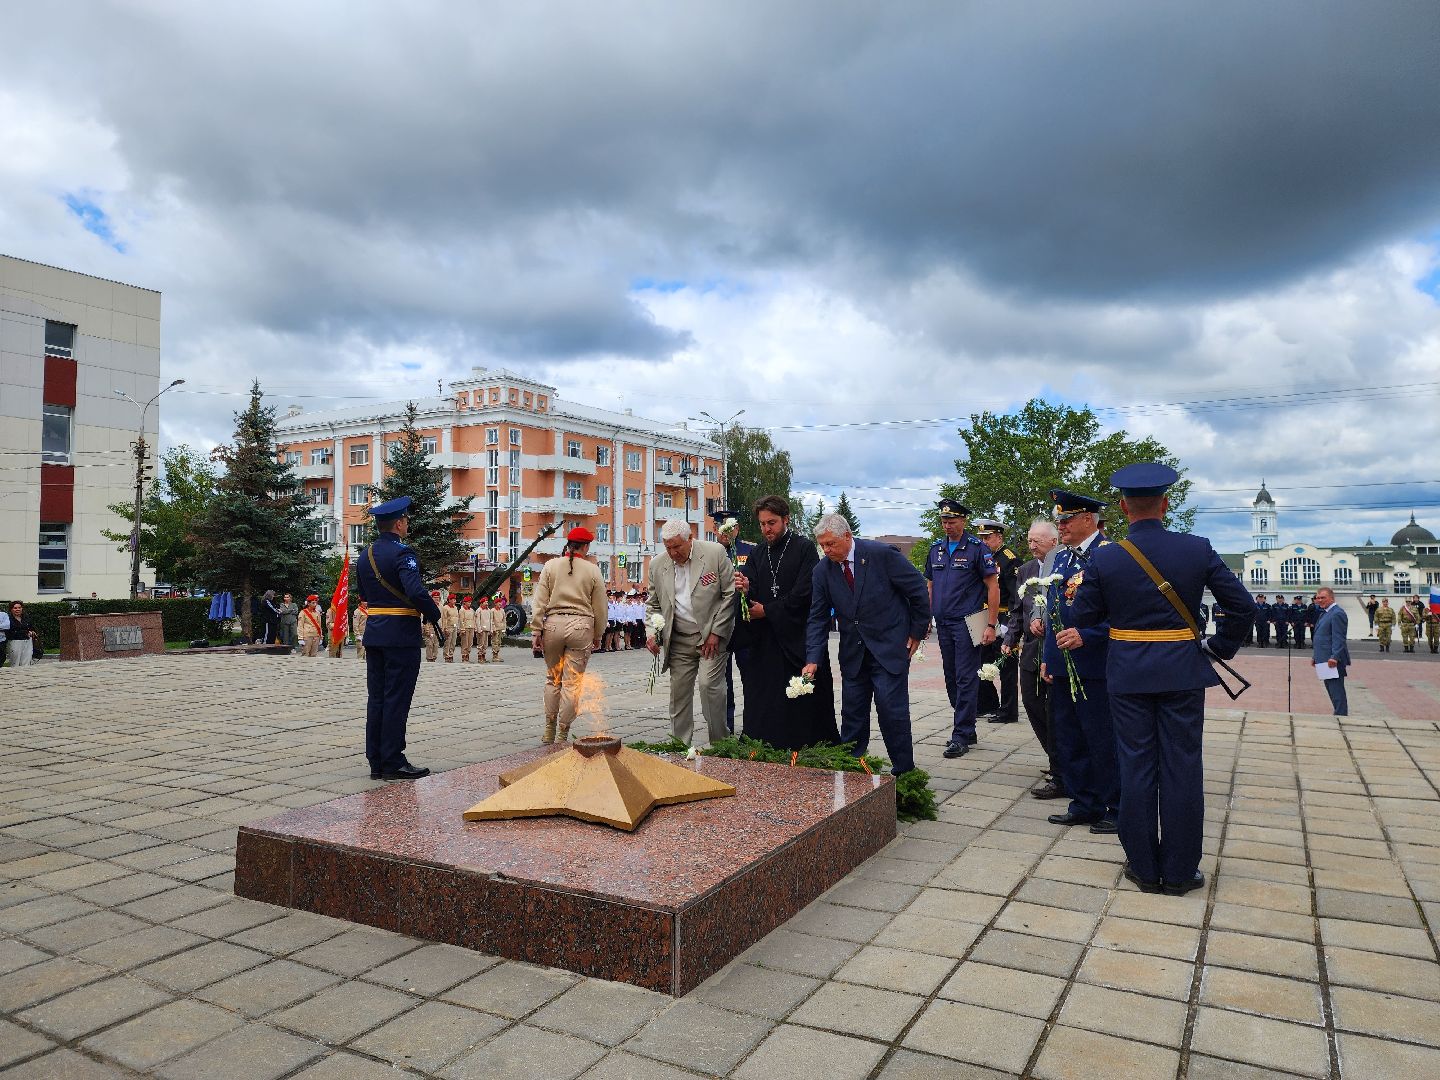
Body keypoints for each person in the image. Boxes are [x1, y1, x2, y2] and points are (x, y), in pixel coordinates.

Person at [1071, 463, 1255, 896]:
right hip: (1182, 670)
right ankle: (1179, 871)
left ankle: (1143, 866)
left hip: (1128, 673)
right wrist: (1219, 647)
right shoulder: (1196, 548)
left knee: (1136, 767)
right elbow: (1243, 607)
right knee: (1183, 768)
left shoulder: (1106, 556)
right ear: (1166, 504)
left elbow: (1083, 617)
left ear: (1122, 506)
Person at [803, 514, 931, 775]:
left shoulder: (881, 555)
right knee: (852, 716)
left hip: (889, 648)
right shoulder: (822, 571)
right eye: (822, 545)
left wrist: (917, 631)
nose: (826, 550)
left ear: (847, 536)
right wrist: (812, 658)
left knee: (891, 713)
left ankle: (904, 772)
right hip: (853, 654)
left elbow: (917, 588)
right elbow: (817, 618)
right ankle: (852, 773)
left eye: (831, 544)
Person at [1040, 489, 1119, 835]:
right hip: (1063, 663)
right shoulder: (1061, 558)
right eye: (1059, 520)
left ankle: (1116, 807)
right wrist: (1048, 658)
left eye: (1066, 519)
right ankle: (1083, 803)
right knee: (1069, 737)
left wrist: (1090, 635)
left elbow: (1123, 615)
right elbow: (1055, 610)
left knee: (1101, 739)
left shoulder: (1111, 555)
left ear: (1089, 519)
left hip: (1095, 664)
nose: (1061, 525)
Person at [733, 496, 838, 750]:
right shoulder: (758, 552)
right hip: (767, 642)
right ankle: (765, 747)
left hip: (798, 638)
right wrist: (746, 590)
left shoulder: (804, 549)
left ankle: (808, 749)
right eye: (762, 524)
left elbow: (805, 593)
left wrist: (768, 610)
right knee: (766, 698)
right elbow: (754, 588)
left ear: (786, 520)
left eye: (772, 523)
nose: (767, 529)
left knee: (803, 703)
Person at [354, 496, 443, 780]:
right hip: (401, 635)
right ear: (399, 523)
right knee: (397, 698)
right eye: (406, 521)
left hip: (376, 633)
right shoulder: (403, 554)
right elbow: (415, 592)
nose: (407, 524)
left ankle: (376, 761)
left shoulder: (365, 556)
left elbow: (366, 596)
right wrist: (434, 612)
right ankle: (393, 760)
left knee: (377, 698)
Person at [646, 520, 737, 747]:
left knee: (709, 688)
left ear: (690, 538)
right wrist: (652, 631)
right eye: (668, 547)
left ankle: (720, 744)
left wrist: (716, 632)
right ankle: (680, 745)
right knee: (679, 695)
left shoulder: (714, 553)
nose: (672, 553)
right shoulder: (657, 565)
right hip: (678, 640)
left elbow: (729, 594)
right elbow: (653, 604)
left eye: (677, 547)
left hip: (710, 638)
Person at [923, 499, 999, 758]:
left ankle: (961, 734)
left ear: (963, 521)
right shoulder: (936, 549)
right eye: (944, 521)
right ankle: (968, 728)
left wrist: (991, 624)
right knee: (951, 677)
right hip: (943, 623)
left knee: (966, 678)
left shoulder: (977, 548)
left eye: (952, 521)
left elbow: (993, 587)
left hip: (969, 622)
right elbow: (930, 586)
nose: (947, 525)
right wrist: (926, 619)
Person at [531, 528, 608, 744]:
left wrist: (536, 630)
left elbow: (540, 600)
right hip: (580, 626)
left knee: (552, 679)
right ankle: (563, 733)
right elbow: (600, 607)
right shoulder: (593, 570)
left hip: (553, 626)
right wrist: (598, 633)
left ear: (568, 544)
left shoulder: (550, 566)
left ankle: (549, 729)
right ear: (586, 547)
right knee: (572, 683)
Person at [1004, 519, 1064, 799]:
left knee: (1057, 713)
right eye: (1029, 540)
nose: (1031, 546)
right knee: (1032, 704)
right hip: (1030, 651)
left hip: (1058, 650)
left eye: (1036, 541)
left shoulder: (1065, 566)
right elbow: (1017, 610)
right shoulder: (1026, 570)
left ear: (1054, 542)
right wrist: (1010, 639)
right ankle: (1055, 759)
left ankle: (1061, 770)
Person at [974, 519, 1021, 724]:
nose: (983, 541)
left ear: (999, 537)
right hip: (982, 616)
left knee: (1007, 667)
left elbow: (1016, 595)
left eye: (988, 538)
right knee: (981, 662)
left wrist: (1009, 622)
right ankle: (988, 704)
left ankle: (1009, 711)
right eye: (981, 538)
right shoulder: (981, 557)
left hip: (1003, 616)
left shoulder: (1009, 559)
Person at [716, 510, 756, 734]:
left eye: (730, 528)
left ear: (737, 529)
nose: (725, 533)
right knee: (722, 681)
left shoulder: (749, 550)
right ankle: (726, 725)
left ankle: (753, 724)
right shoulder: (708, 552)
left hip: (744, 623)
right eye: (721, 529)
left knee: (751, 676)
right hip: (720, 625)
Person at [1312, 588, 1350, 716]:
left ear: (1332, 598)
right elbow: (1322, 637)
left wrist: (1335, 657)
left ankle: (1341, 716)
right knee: (1330, 689)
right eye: (1318, 598)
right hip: (1323, 658)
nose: (1320, 600)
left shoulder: (1337, 613)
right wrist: (1315, 656)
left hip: (1332, 660)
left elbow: (1338, 638)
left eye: (1323, 598)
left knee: (1336, 690)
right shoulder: (1325, 613)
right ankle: (1338, 713)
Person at [4, 602, 39, 667]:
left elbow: (32, 628)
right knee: (15, 662)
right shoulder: (8, 619)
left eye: (19, 607)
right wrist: (25, 632)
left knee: (26, 661)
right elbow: (10, 631)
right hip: (14, 642)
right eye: (15, 608)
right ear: (11, 609)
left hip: (27, 641)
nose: (18, 609)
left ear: (22, 608)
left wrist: (33, 632)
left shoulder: (26, 618)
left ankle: (25, 676)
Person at [440, 594, 460, 662]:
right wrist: (445, 628)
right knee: (447, 643)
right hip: (449, 627)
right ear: (449, 600)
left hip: (454, 627)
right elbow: (444, 618)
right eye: (453, 600)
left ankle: (451, 655)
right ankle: (446, 656)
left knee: (453, 642)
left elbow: (457, 617)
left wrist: (458, 627)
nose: (455, 601)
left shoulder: (455, 607)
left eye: (455, 600)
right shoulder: (445, 608)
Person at [422, 592, 441, 661]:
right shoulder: (427, 607)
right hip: (430, 627)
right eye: (435, 598)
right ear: (431, 598)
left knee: (436, 645)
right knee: (430, 644)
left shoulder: (440, 606)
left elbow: (443, 618)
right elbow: (424, 620)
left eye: (438, 597)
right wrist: (426, 629)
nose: (437, 599)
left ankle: (434, 658)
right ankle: (429, 659)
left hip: (438, 628)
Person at [458, 596, 477, 662]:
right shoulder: (462, 610)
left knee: (470, 643)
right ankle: (464, 657)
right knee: (464, 643)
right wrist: (462, 629)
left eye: (470, 602)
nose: (469, 603)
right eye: (468, 602)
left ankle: (467, 655)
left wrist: (474, 627)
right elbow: (461, 620)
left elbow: (474, 619)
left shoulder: (472, 610)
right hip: (465, 628)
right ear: (464, 603)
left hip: (471, 627)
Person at [489, 593, 507, 661]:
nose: (500, 603)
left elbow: (504, 620)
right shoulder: (492, 611)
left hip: (500, 628)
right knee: (495, 642)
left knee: (499, 642)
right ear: (495, 603)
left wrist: (504, 628)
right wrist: (493, 628)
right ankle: (494, 656)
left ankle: (497, 655)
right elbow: (491, 620)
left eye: (501, 602)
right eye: (499, 602)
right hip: (495, 629)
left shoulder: (502, 610)